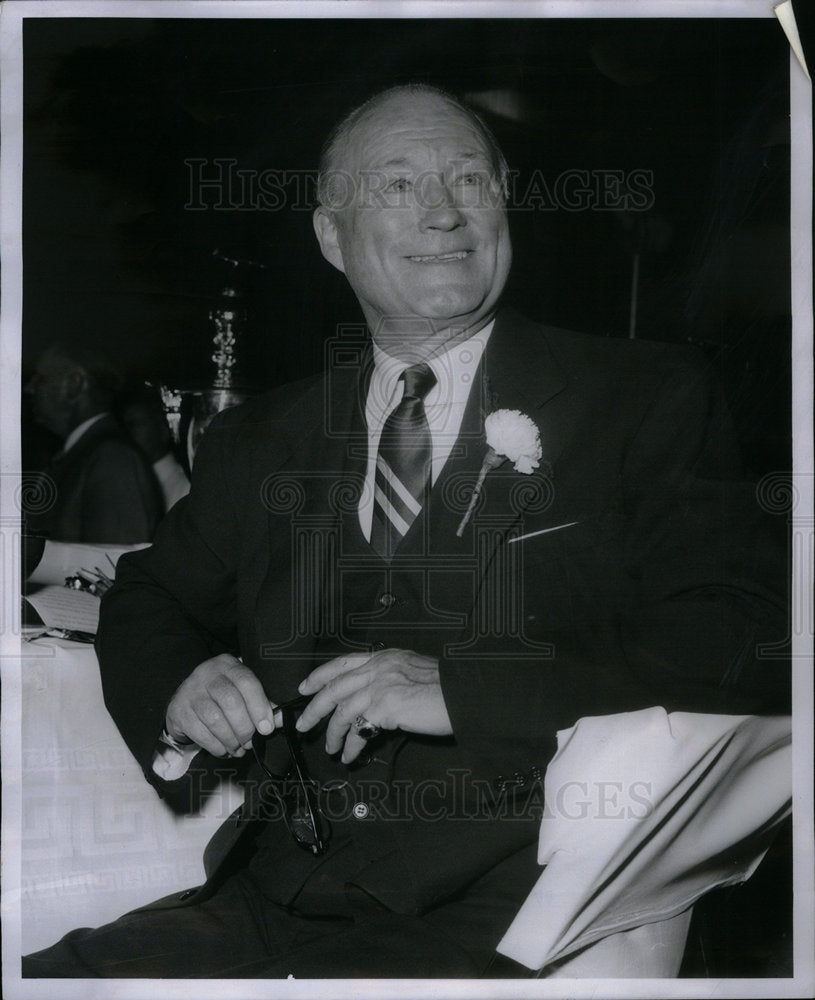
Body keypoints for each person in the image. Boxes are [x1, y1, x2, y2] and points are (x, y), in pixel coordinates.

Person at [22, 84, 789, 979]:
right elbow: (151, 592)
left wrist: (463, 689)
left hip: (526, 918)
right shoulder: (263, 436)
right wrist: (185, 682)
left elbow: (744, 636)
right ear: (329, 237)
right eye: (397, 185)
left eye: (470, 178)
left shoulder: (642, 398)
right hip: (275, 895)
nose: (443, 211)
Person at [24, 344, 163, 544]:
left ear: (74, 383)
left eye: (40, 378)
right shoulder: (83, 453)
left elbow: (112, 566)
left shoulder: (112, 458)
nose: (29, 388)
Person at [118, 382, 190, 513]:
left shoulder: (185, 489)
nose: (126, 435)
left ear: (162, 429)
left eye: (134, 425)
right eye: (124, 427)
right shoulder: (127, 484)